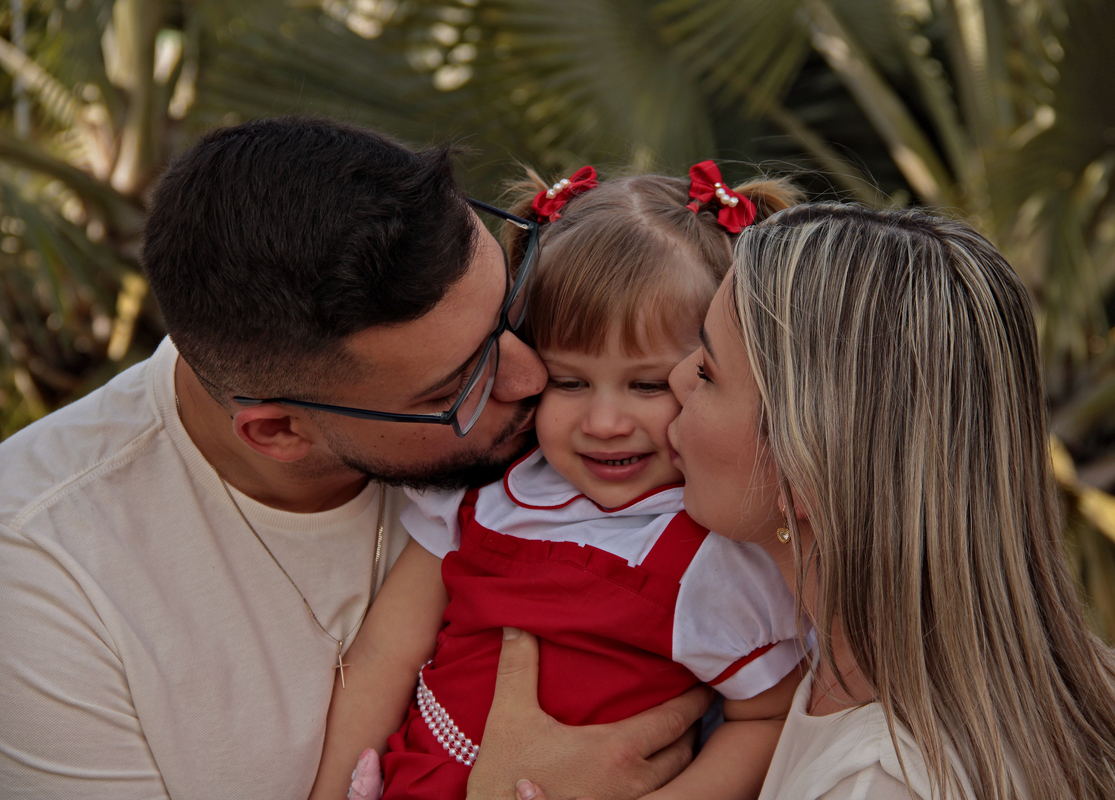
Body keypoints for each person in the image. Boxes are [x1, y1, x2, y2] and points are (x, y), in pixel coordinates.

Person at [0, 117, 708, 799]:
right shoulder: (46, 580)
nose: (533, 380)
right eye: (458, 386)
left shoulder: (602, 435)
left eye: (511, 314)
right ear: (279, 432)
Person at [481, 202, 1115, 800]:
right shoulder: (832, 683)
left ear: (803, 475)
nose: (675, 381)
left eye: (709, 370)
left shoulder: (882, 783)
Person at [308, 163, 806, 800]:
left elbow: (765, 719)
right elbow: (387, 652)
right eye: (569, 381)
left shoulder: (716, 555)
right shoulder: (486, 493)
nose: (602, 423)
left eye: (648, 385)